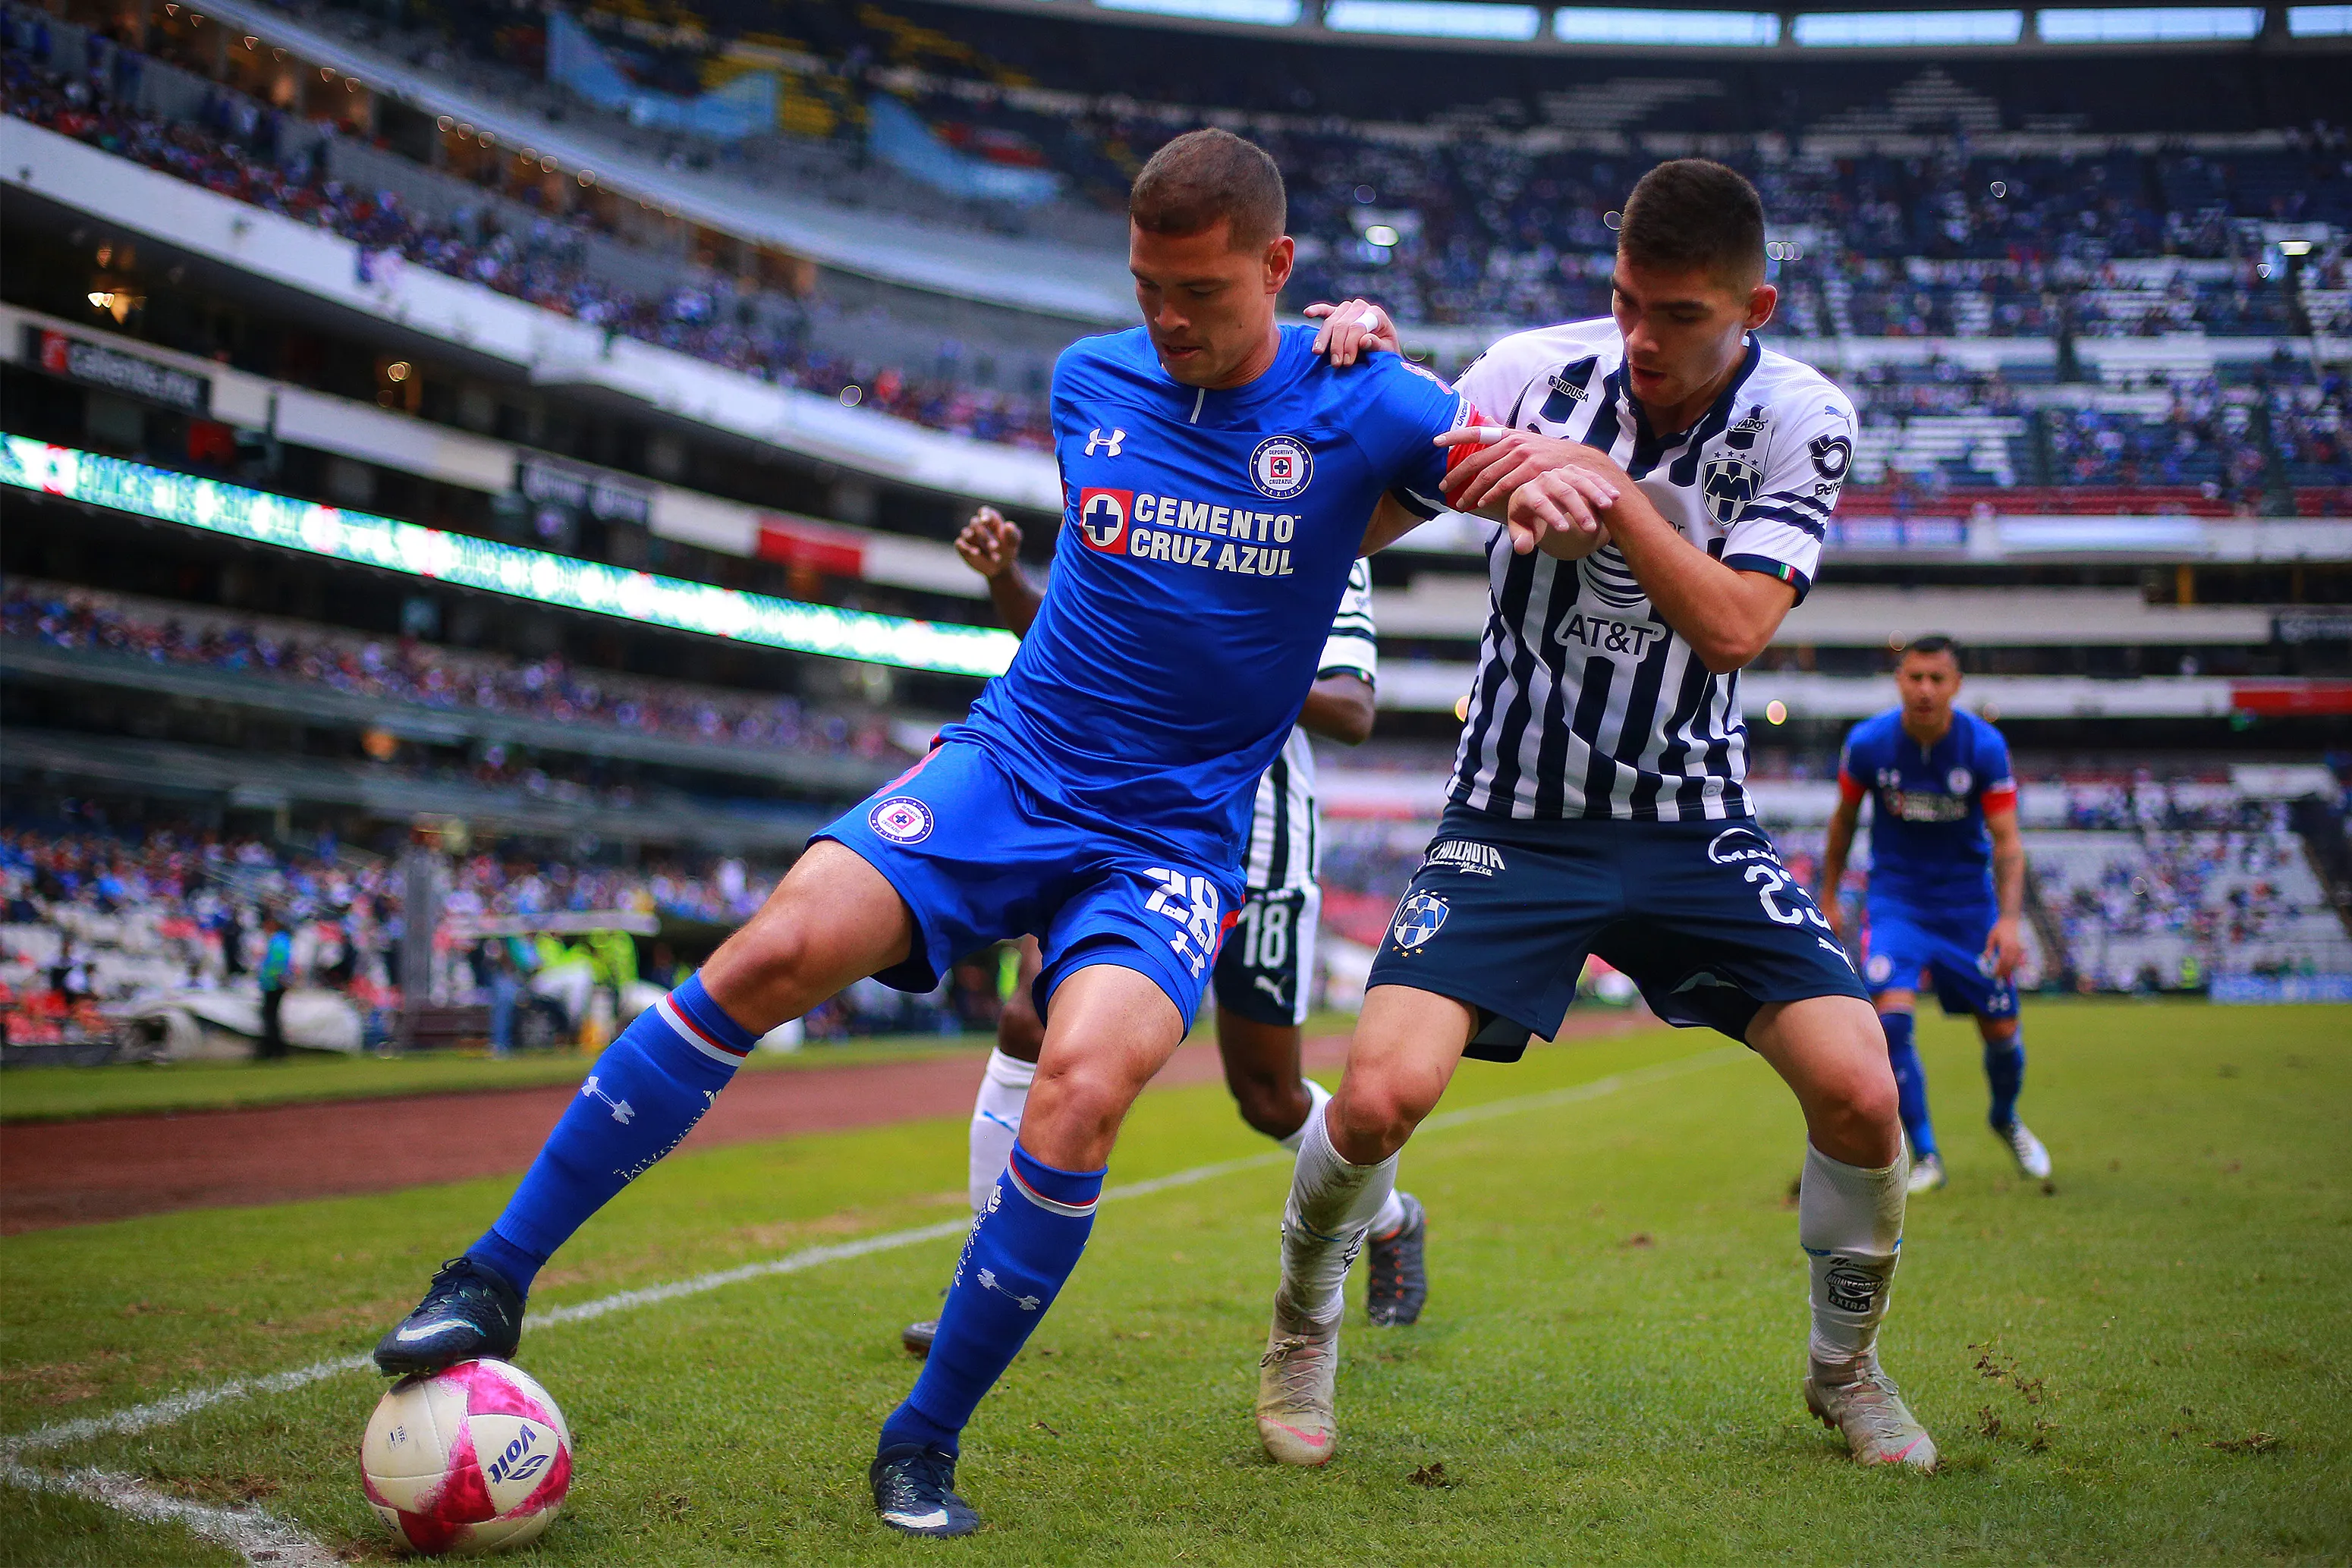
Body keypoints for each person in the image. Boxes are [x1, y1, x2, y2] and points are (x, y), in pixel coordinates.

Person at [369, 127, 1568, 1538]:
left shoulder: (1368, 402)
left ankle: (919, 1441)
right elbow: (1121, 584)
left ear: (1280, 266)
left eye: (1202, 292)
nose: (1169, 322)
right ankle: (491, 1273)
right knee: (774, 947)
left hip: (1170, 839)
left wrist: (1530, 469)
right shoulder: (1087, 380)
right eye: (1147, 290)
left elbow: (1494, 447)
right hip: (1012, 763)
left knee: (1082, 1088)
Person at [1260, 159, 1937, 1475]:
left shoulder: (1807, 416)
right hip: (1510, 815)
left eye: (1681, 314)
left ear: (1756, 307)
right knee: (1382, 1095)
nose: (1644, 338)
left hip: (1692, 820)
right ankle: (1300, 1324)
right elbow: (1363, 511)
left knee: (1861, 1096)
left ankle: (1845, 1371)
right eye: (1628, 301)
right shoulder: (1524, 370)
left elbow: (1738, 625)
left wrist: (1606, 490)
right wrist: (1342, 383)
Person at [895, 506, 1424, 1361]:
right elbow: (1064, 639)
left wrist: (1213, 650)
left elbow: (1352, 710)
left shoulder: (1324, 535)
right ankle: (979, 1292)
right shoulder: (1149, 493)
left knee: (1267, 1097)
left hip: (1256, 841)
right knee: (1029, 1024)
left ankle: (1393, 1218)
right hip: (1125, 815)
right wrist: (1004, 579)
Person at [1819, 635, 2049, 1192]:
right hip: (1897, 902)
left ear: (1956, 684)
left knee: (2000, 1030)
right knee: (1891, 1021)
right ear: (1899, 680)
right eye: (1914, 677)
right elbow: (1844, 822)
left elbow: (2008, 842)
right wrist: (1827, 897)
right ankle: (1925, 1153)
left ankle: (2005, 1116)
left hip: (1968, 908)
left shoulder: (1984, 747)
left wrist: (2010, 919)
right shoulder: (1870, 743)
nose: (1924, 689)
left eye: (1936, 679)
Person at [255, 910, 291, 1061]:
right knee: (272, 1017)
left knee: (270, 1017)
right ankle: (275, 1049)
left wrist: (276, 980)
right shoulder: (280, 940)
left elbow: (277, 964)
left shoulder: (278, 941)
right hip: (274, 983)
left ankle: (273, 1050)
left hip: (273, 984)